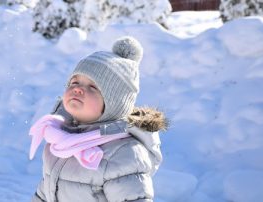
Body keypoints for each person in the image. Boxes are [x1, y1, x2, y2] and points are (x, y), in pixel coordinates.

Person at [29, 36, 168, 202]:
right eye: (74, 83)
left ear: (114, 103)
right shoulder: (61, 139)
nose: (78, 89)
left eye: (93, 87)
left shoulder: (124, 152)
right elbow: (47, 191)